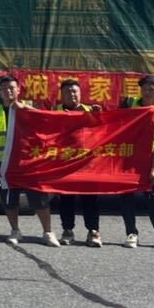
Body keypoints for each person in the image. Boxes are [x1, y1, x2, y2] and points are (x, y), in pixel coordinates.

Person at [0, 76, 60, 247]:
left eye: (11, 88)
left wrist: (25, 108)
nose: (8, 91)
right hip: (5, 163)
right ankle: (15, 231)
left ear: (19, 90)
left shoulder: (29, 107)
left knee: (40, 199)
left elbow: (44, 124)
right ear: (0, 92)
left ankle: (48, 232)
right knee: (9, 200)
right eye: (4, 88)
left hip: (29, 162)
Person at [119, 75, 154, 251]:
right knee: (126, 196)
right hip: (126, 157)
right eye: (144, 88)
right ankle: (131, 233)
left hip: (146, 160)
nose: (147, 92)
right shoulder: (128, 104)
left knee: (152, 198)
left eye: (152, 89)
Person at [56, 79, 102, 247]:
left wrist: (97, 117)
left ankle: (93, 231)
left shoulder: (90, 111)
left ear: (80, 94)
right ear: (62, 96)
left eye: (75, 91)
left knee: (90, 199)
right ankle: (67, 230)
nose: (72, 95)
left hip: (87, 164)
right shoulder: (55, 112)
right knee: (66, 199)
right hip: (65, 163)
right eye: (68, 92)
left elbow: (104, 132)